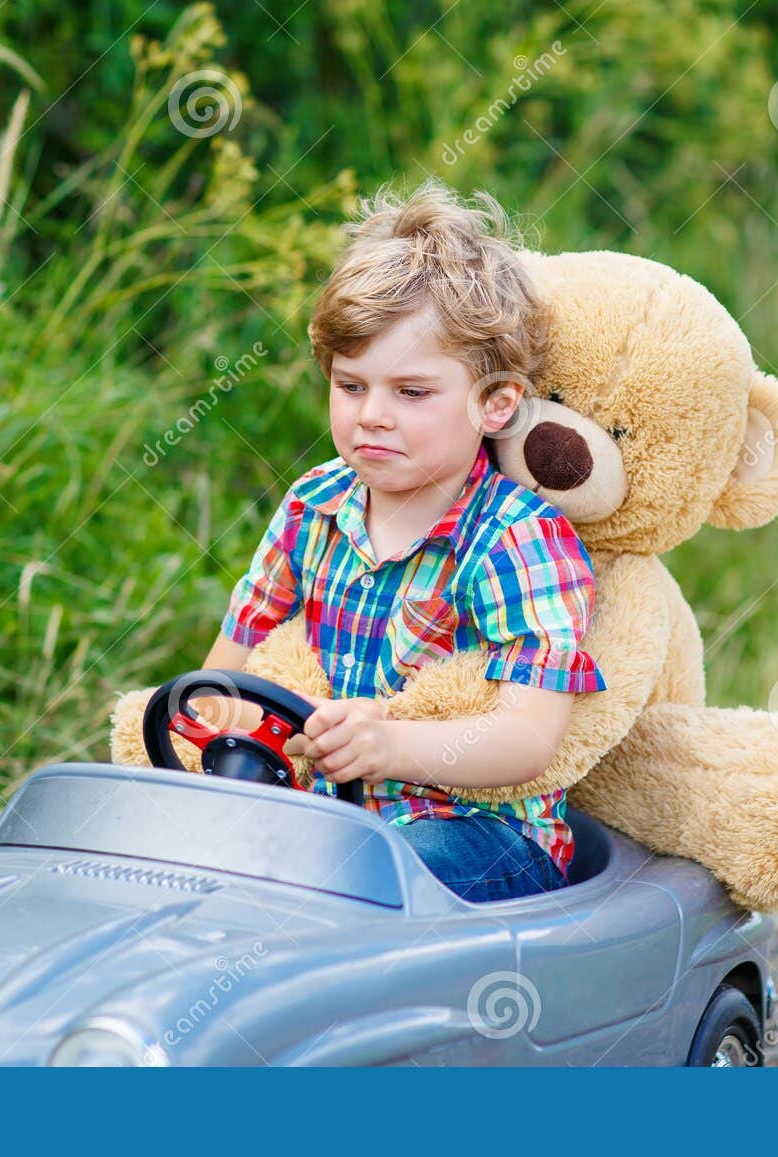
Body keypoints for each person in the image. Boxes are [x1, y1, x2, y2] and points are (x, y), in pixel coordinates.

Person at [201, 177, 606, 902]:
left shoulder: (515, 538)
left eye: (411, 393)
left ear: (496, 402)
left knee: (366, 872)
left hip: (478, 830)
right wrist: (217, 730)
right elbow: (225, 672)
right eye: (351, 386)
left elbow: (527, 738)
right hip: (329, 823)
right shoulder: (312, 506)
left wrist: (390, 744)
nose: (372, 416)